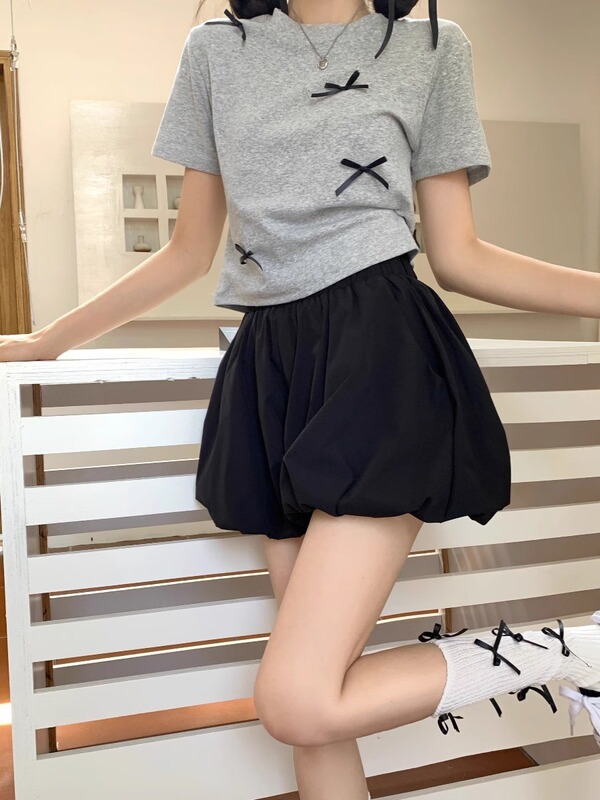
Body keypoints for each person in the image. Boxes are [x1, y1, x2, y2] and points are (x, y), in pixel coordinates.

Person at [1, 2, 599, 798]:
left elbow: (460, 256)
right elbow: (188, 250)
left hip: (380, 355)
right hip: (270, 371)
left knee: (296, 700)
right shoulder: (215, 50)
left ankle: (577, 650)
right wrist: (49, 341)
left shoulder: (431, 45)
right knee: (321, 702)